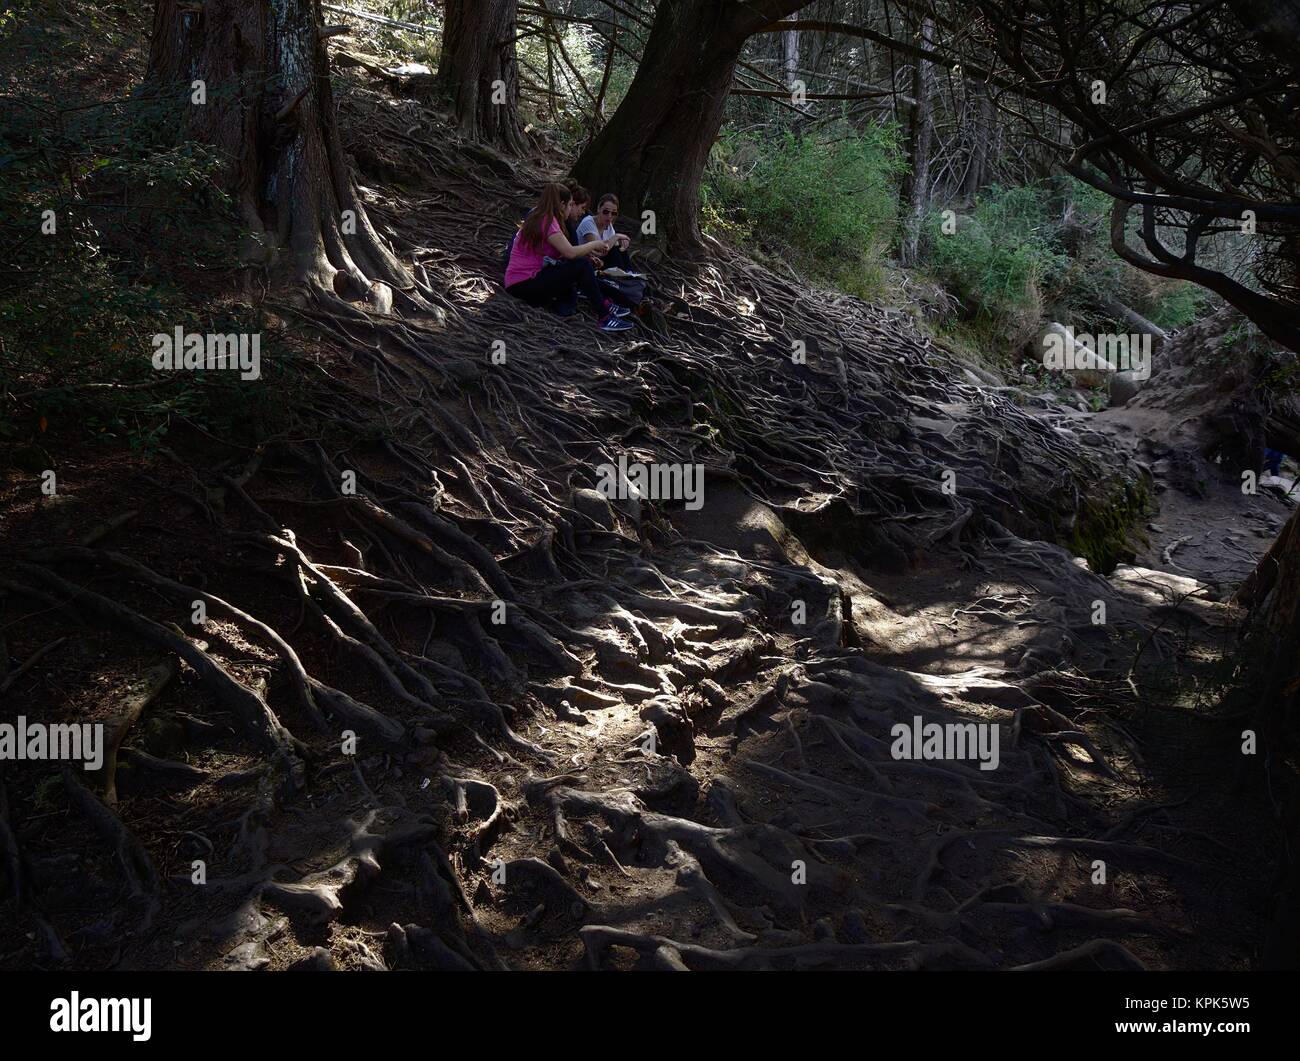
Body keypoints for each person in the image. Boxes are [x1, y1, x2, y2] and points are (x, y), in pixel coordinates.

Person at [504, 183, 633, 332]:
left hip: (525, 283)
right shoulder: (547, 221)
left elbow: (561, 253)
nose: (571, 208)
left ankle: (605, 303)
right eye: (570, 204)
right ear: (562, 204)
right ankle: (605, 316)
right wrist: (595, 244)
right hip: (523, 284)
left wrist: (587, 257)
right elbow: (570, 252)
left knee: (581, 265)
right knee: (582, 265)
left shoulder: (544, 218)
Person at [577, 193, 633, 271]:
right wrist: (617, 236)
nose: (610, 216)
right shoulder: (588, 222)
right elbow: (600, 249)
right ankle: (625, 277)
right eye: (606, 212)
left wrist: (622, 243)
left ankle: (630, 275)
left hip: (599, 262)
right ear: (598, 209)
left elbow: (612, 245)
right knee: (614, 251)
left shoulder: (609, 226)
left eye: (614, 213)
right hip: (587, 263)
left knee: (619, 250)